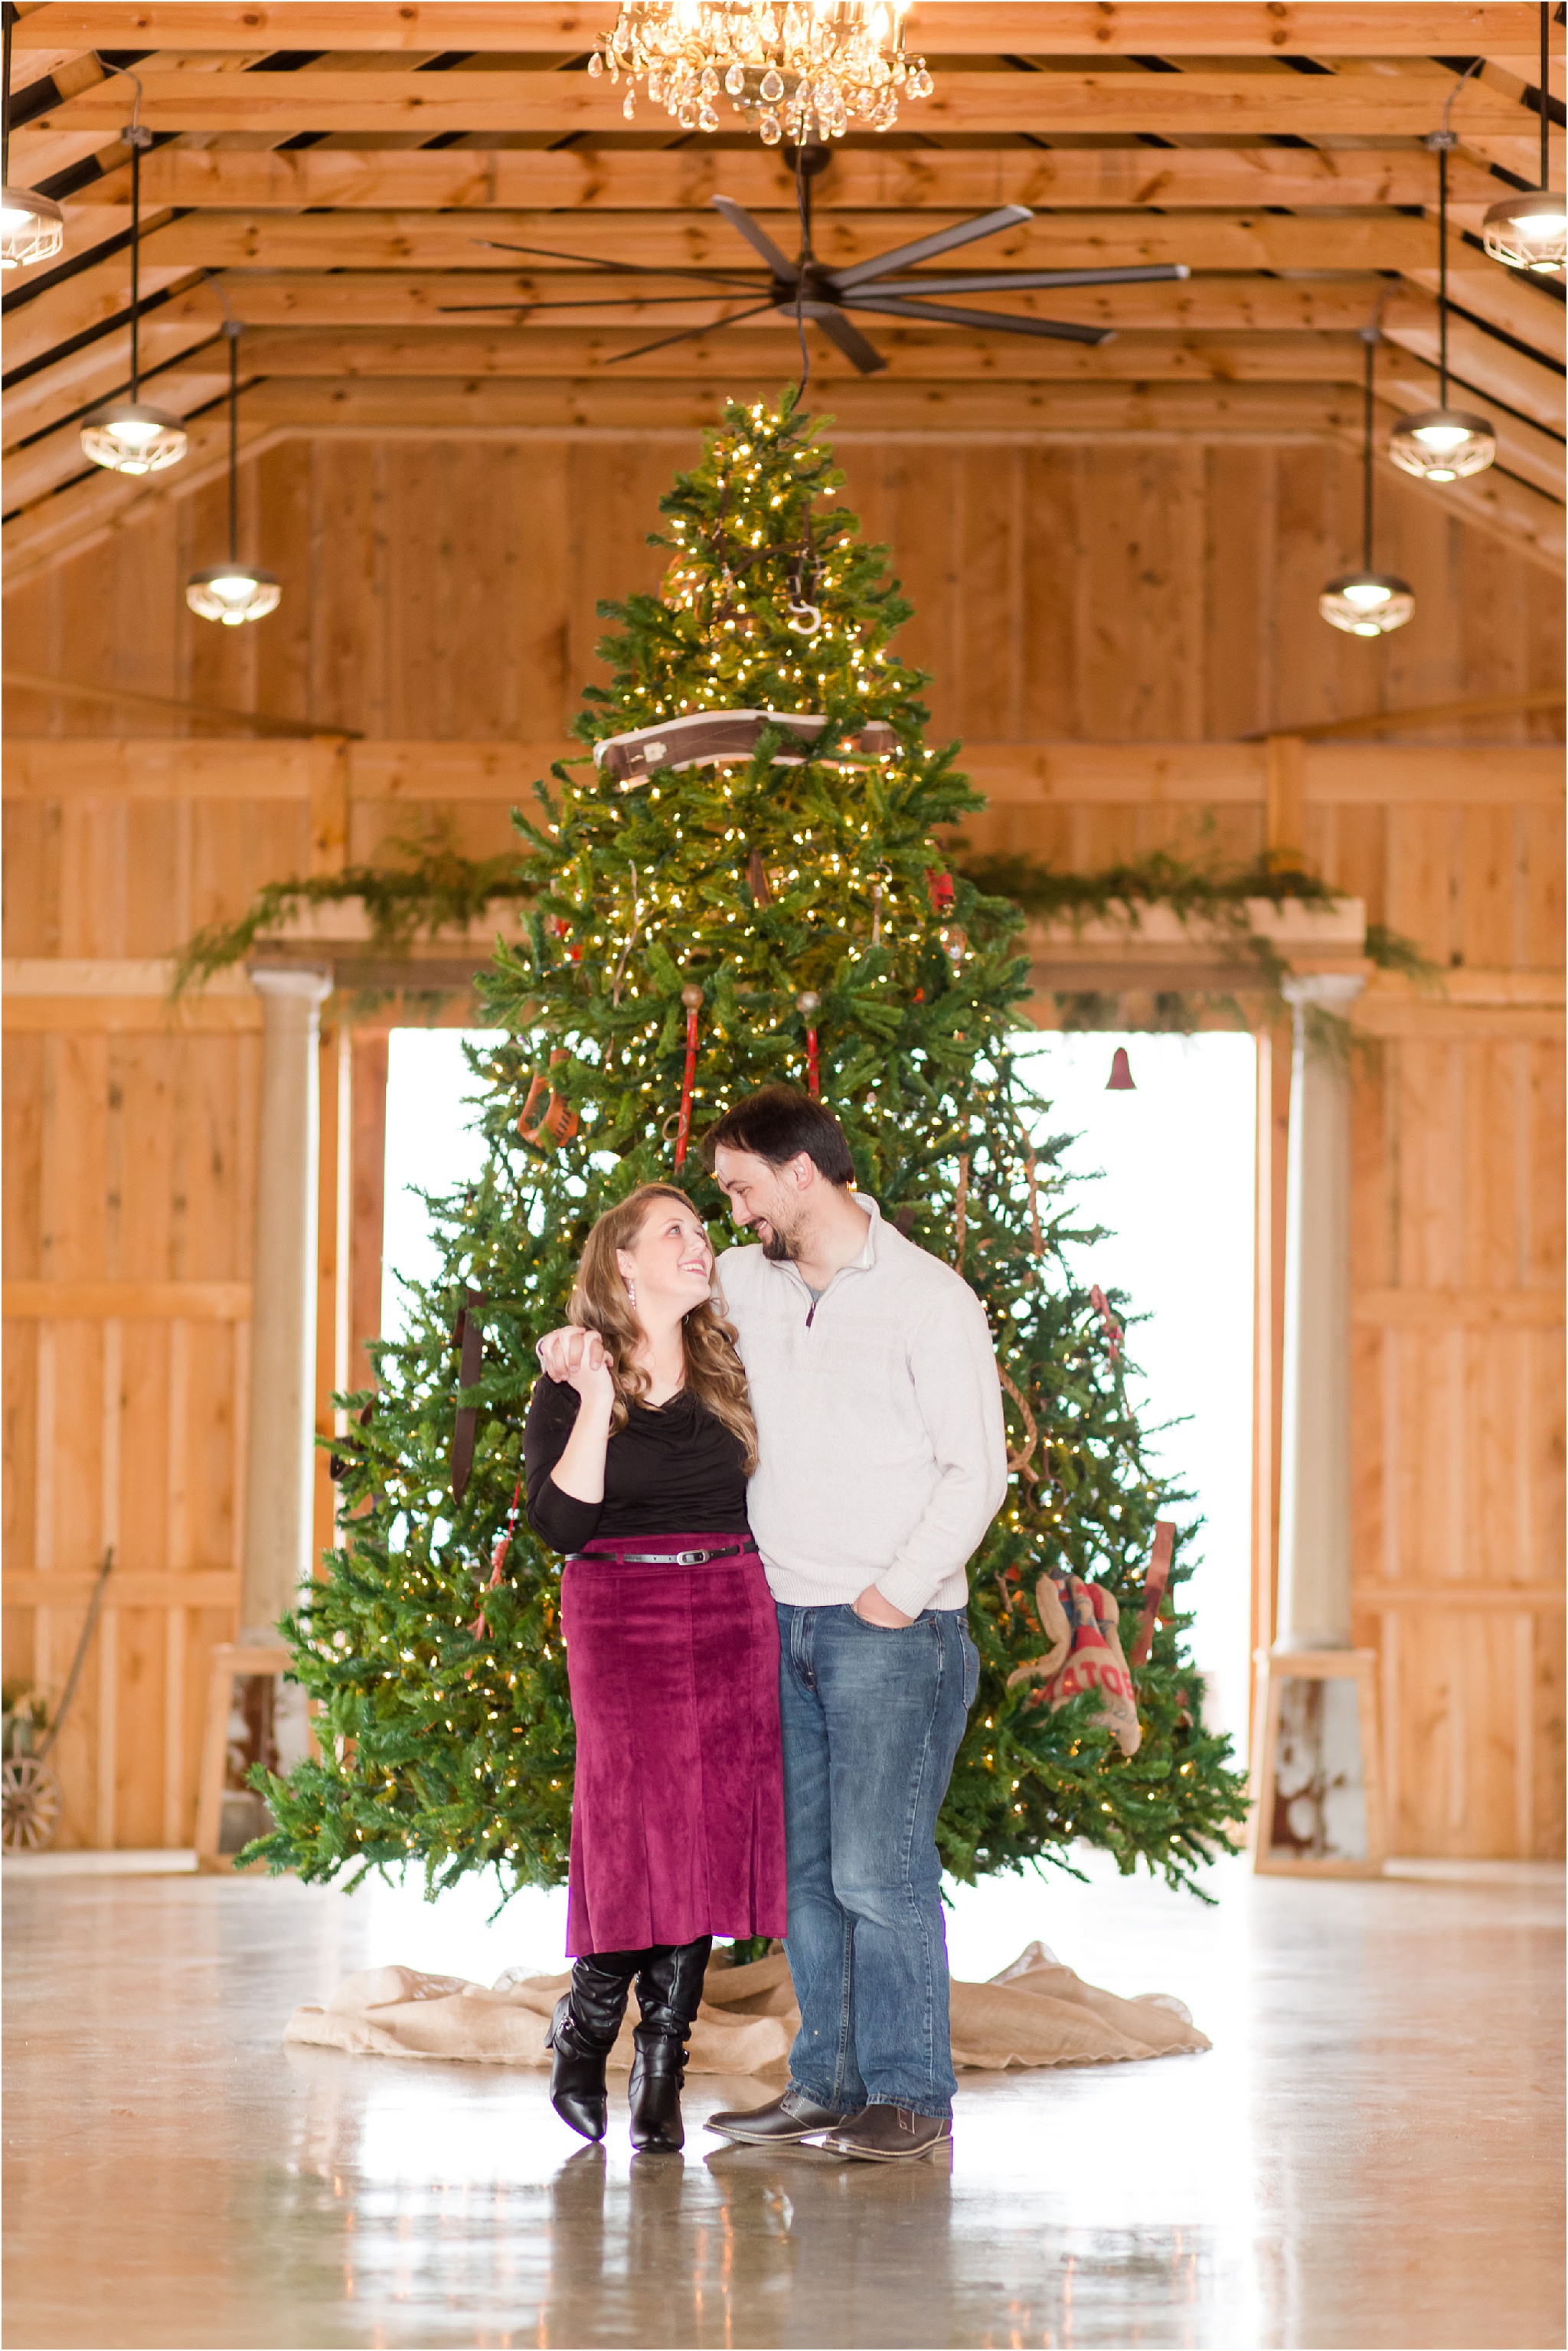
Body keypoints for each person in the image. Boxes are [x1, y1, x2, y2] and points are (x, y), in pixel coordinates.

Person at [541, 1089, 1008, 2163]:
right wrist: (565, 1345)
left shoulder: (931, 1301)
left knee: (876, 1872)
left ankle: (908, 2092)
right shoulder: (744, 1284)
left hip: (887, 1630)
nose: (729, 1213)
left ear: (801, 1174)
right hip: (772, 1624)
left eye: (742, 1188)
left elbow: (974, 1471)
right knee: (803, 1878)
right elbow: (625, 1313)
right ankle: (826, 2082)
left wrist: (893, 1593)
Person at [523, 1182, 786, 2156]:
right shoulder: (571, 1377)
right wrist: (594, 1397)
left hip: (728, 1608)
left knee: (706, 1832)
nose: (698, 1241)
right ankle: (589, 2024)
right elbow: (561, 1523)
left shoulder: (731, 1356)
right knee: (632, 1826)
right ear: (622, 1261)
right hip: (618, 1609)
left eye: (702, 1227)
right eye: (674, 1228)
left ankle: (661, 2062)